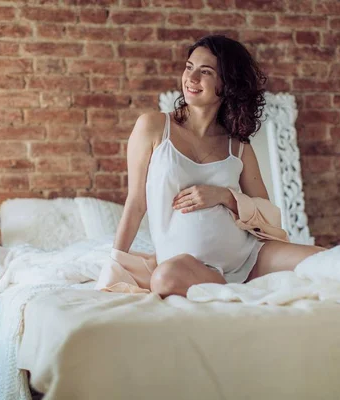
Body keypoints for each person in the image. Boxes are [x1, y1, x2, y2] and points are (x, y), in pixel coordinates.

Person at [112, 35, 325, 298]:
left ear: (227, 84)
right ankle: (238, 294)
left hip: (249, 258)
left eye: (206, 72)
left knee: (327, 262)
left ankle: (240, 288)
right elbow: (136, 203)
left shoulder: (238, 146)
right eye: (189, 67)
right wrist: (114, 265)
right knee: (164, 278)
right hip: (190, 269)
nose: (191, 78)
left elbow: (268, 214)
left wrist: (225, 196)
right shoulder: (153, 127)